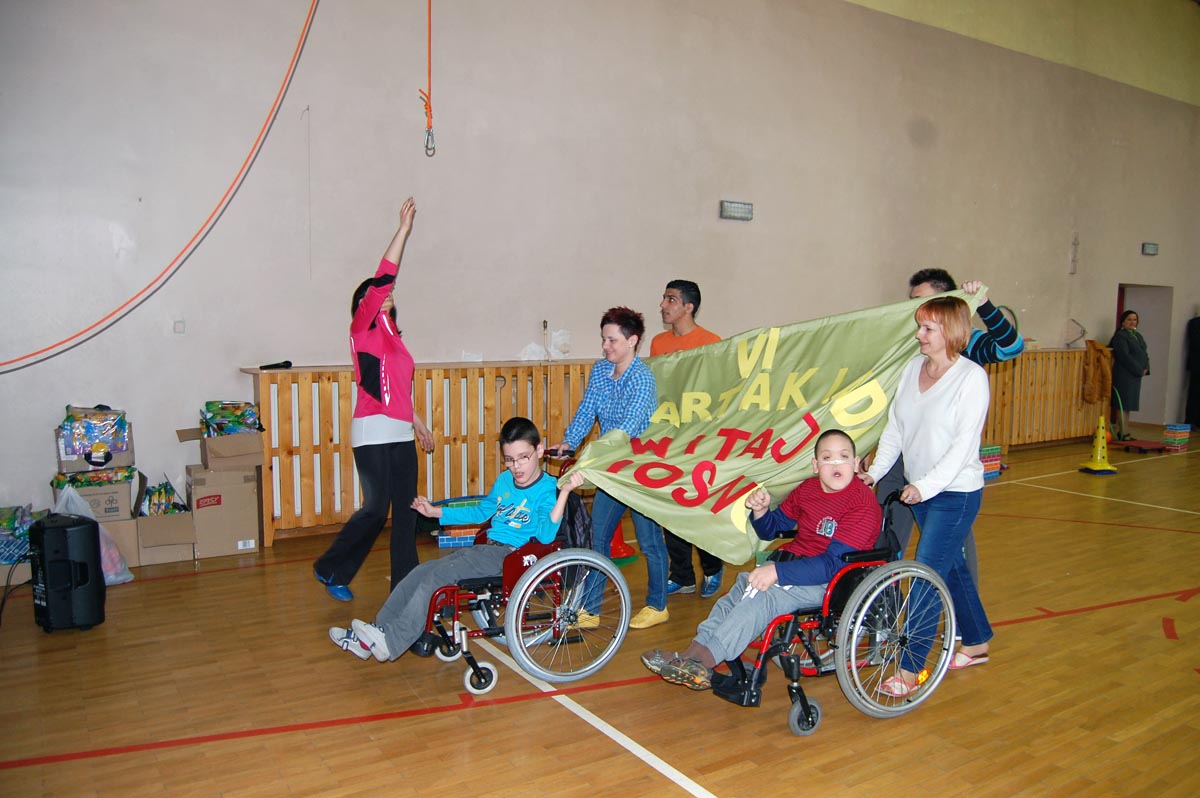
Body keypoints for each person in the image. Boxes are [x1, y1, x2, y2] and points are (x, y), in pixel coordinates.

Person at [639, 429, 881, 690]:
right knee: (741, 588)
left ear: (856, 463)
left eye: (843, 457)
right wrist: (761, 510)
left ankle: (706, 661)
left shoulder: (862, 503)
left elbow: (833, 565)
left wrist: (777, 573)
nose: (835, 464)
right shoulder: (807, 489)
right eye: (827, 457)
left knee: (764, 596)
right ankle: (692, 654)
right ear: (815, 465)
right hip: (794, 566)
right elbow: (771, 529)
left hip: (830, 581)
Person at [330, 417, 585, 661]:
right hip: (485, 550)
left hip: (511, 556)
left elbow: (546, 536)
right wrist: (436, 512)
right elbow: (479, 512)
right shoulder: (505, 481)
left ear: (539, 451)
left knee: (436, 578)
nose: (516, 467)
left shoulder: (547, 489)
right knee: (418, 573)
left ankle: (391, 641)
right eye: (509, 459)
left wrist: (563, 493)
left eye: (523, 458)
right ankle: (376, 634)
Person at [860, 296, 993, 696]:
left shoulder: (971, 378)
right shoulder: (911, 369)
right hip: (920, 490)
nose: (919, 335)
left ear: (950, 332)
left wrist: (926, 486)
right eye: (920, 327)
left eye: (927, 328)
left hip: (955, 493)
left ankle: (909, 667)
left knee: (925, 573)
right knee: (951, 569)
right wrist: (875, 473)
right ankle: (977, 641)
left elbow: (963, 446)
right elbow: (895, 430)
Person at [313, 198, 434, 601]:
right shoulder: (361, 329)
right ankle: (331, 568)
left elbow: (398, 391)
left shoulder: (394, 338)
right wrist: (403, 230)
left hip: (400, 431)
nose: (386, 292)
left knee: (407, 510)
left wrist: (418, 424)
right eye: (376, 293)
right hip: (371, 430)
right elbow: (383, 276)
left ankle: (405, 588)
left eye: (388, 292)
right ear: (363, 303)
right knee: (376, 507)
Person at [874, 268, 1024, 586]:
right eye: (913, 302)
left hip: (946, 467)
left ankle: (954, 606)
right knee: (886, 532)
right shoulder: (909, 342)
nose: (916, 312)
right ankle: (884, 605)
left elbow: (1011, 347)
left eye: (924, 302)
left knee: (948, 551)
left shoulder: (965, 348)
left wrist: (984, 304)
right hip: (903, 455)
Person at [549, 307, 669, 630]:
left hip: (640, 470)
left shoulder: (642, 379)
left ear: (632, 341)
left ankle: (658, 605)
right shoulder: (601, 370)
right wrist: (569, 441)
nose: (605, 346)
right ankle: (590, 609)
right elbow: (587, 409)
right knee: (597, 538)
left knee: (649, 541)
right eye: (603, 339)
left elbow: (626, 430)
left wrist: (591, 460)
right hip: (611, 468)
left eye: (612, 340)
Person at [650, 279, 725, 600]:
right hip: (669, 440)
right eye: (664, 298)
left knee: (700, 507)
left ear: (688, 307)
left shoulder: (711, 343)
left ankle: (712, 567)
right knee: (671, 509)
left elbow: (719, 392)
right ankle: (681, 575)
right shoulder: (658, 343)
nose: (663, 305)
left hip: (701, 440)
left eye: (671, 299)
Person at [1108, 310, 1150, 440]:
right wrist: (1138, 369)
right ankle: (1123, 432)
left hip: (1135, 376)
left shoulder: (1138, 335)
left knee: (1129, 405)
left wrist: (1146, 368)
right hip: (1124, 375)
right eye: (1129, 319)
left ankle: (1125, 431)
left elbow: (1144, 353)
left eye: (1134, 319)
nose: (1132, 322)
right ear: (1123, 322)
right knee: (1122, 404)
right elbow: (1124, 356)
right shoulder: (1120, 336)